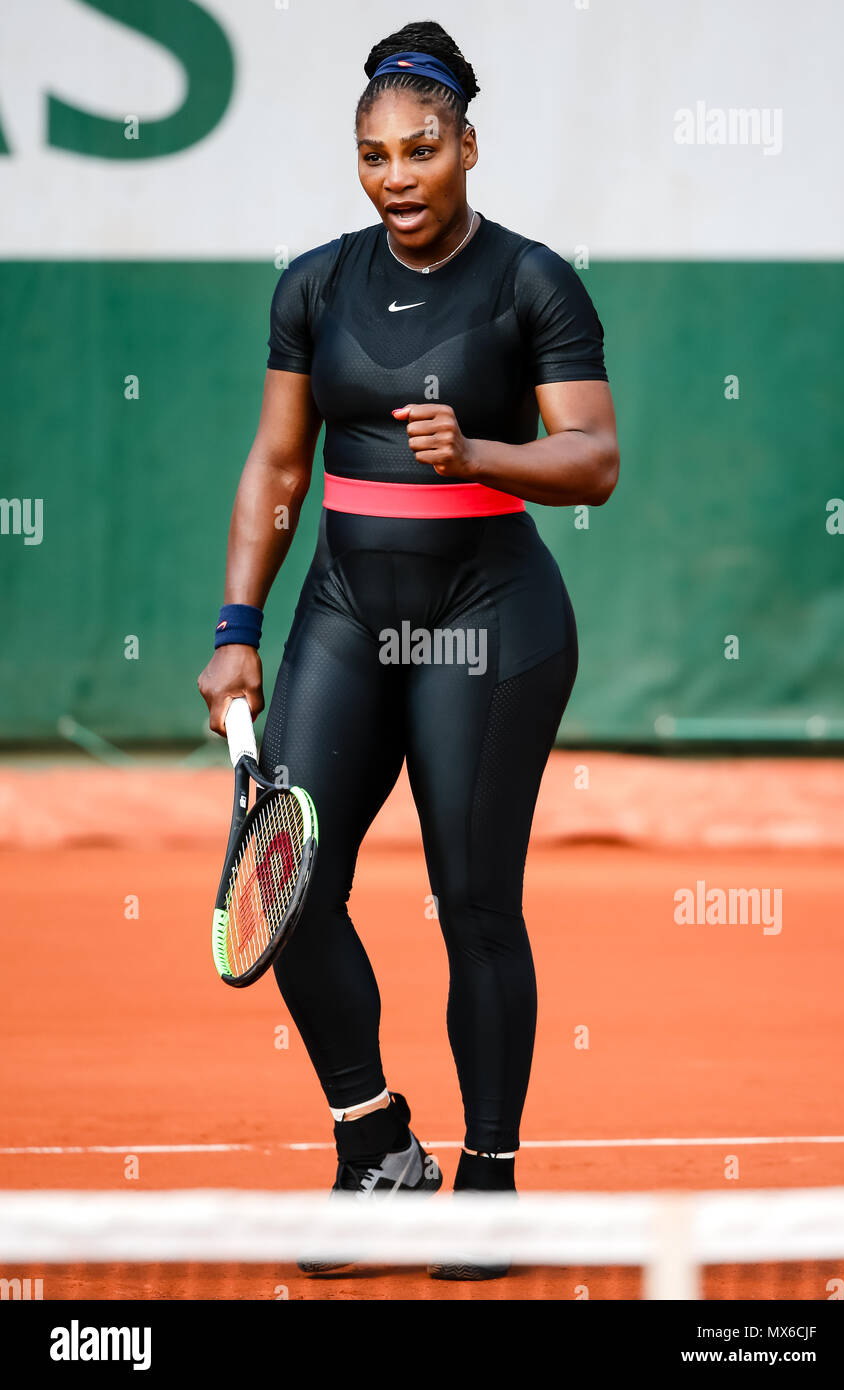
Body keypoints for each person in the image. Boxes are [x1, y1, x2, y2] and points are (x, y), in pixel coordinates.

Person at [197, 19, 619, 1280]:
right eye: (374, 155)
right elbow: (279, 463)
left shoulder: (533, 281)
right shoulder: (313, 284)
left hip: (488, 623)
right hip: (340, 610)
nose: (396, 177)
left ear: (466, 147)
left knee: (473, 903)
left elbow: (592, 455)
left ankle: (489, 1188)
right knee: (289, 889)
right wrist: (235, 628)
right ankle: (373, 1143)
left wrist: (480, 451)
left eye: (421, 151)